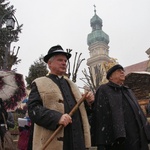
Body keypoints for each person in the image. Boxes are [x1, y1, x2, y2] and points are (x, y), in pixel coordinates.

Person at [27, 45, 94, 150]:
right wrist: (57, 118)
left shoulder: (73, 85)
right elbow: (33, 110)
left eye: (65, 61)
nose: (64, 63)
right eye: (60, 60)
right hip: (54, 143)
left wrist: (89, 102)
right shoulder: (39, 83)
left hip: (78, 142)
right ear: (49, 63)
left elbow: (84, 112)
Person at [91, 64, 150, 150]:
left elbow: (139, 113)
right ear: (110, 77)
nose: (122, 72)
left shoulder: (128, 91)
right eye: (119, 71)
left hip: (137, 137)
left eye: (123, 70)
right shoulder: (104, 90)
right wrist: (102, 142)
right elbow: (100, 117)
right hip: (119, 140)